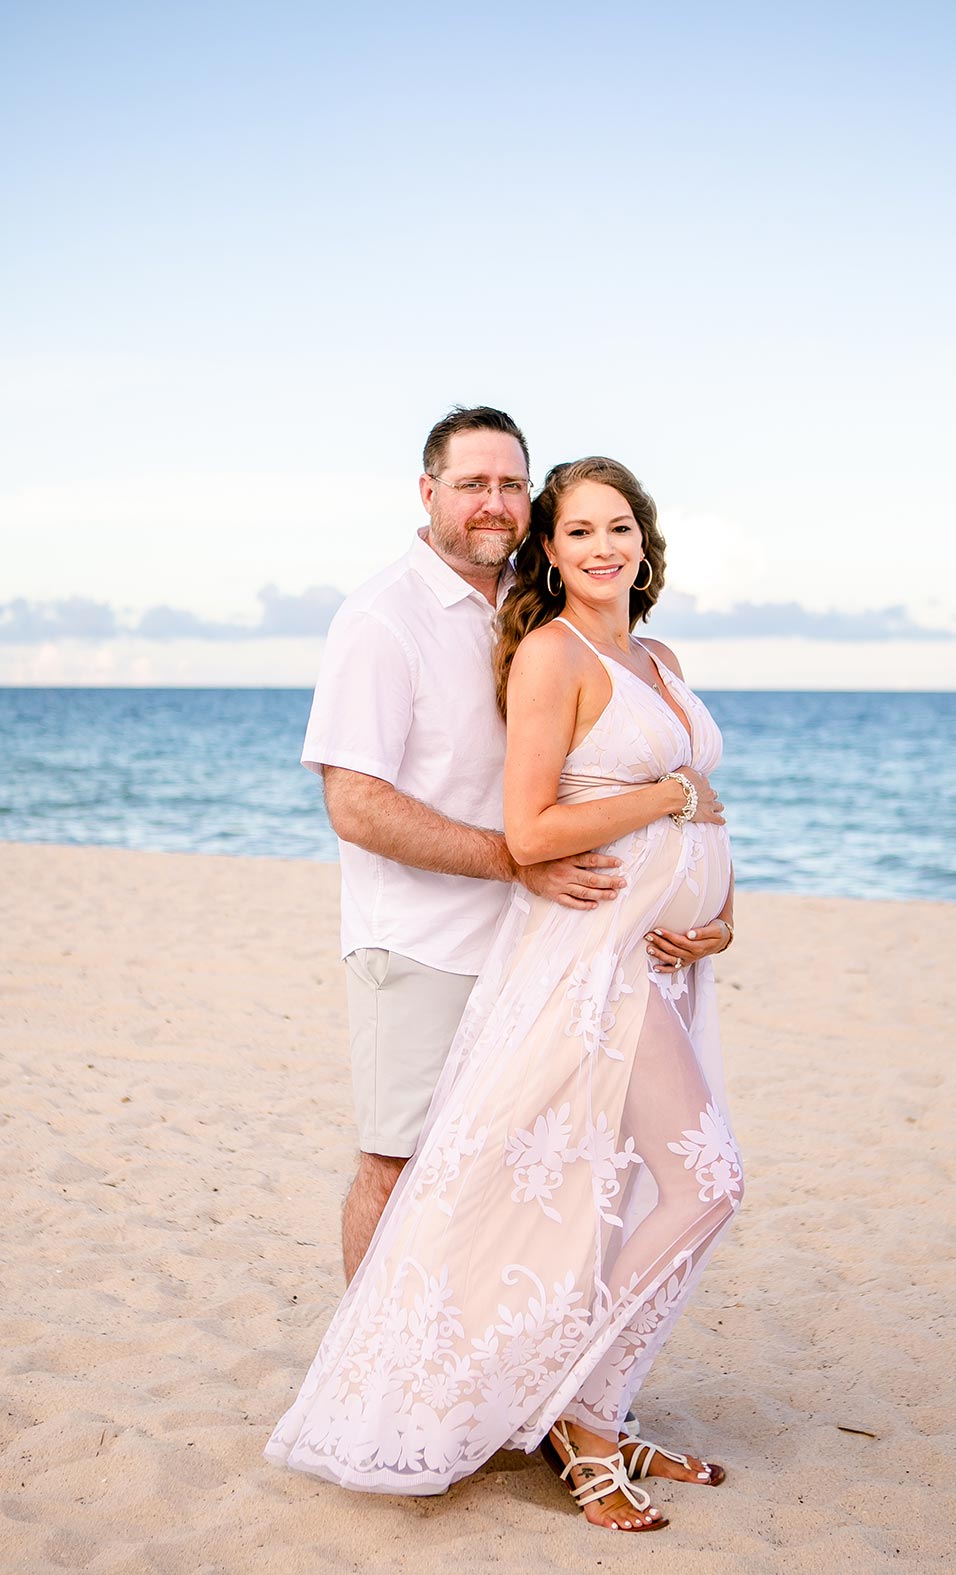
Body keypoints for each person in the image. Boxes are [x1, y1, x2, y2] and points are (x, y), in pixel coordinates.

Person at [267, 455, 743, 1534]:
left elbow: (702, 813)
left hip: (664, 955)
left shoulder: (658, 654)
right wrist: (668, 794)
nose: (603, 547)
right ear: (551, 549)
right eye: (579, 533)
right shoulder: (536, 652)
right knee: (706, 1181)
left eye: (618, 527)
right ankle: (579, 1411)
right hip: (585, 959)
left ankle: (597, 1407)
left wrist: (722, 912)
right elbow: (534, 828)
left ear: (645, 538)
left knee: (615, 1187)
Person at [300, 407, 723, 1284]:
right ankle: (369, 1396)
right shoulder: (384, 618)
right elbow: (355, 802)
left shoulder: (527, 609)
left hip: (542, 941)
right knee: (400, 1162)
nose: (494, 503)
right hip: (422, 941)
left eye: (510, 484)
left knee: (523, 1171)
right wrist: (519, 857)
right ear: (428, 493)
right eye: (471, 484)